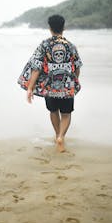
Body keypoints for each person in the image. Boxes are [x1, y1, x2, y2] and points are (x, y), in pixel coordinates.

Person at [18, 14, 83, 152]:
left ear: (50, 28)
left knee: (53, 111)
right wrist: (74, 81)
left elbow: (36, 67)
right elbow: (77, 67)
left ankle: (57, 135)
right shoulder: (71, 46)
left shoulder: (45, 45)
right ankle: (61, 137)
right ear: (64, 27)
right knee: (66, 114)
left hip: (49, 87)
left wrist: (30, 88)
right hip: (67, 86)